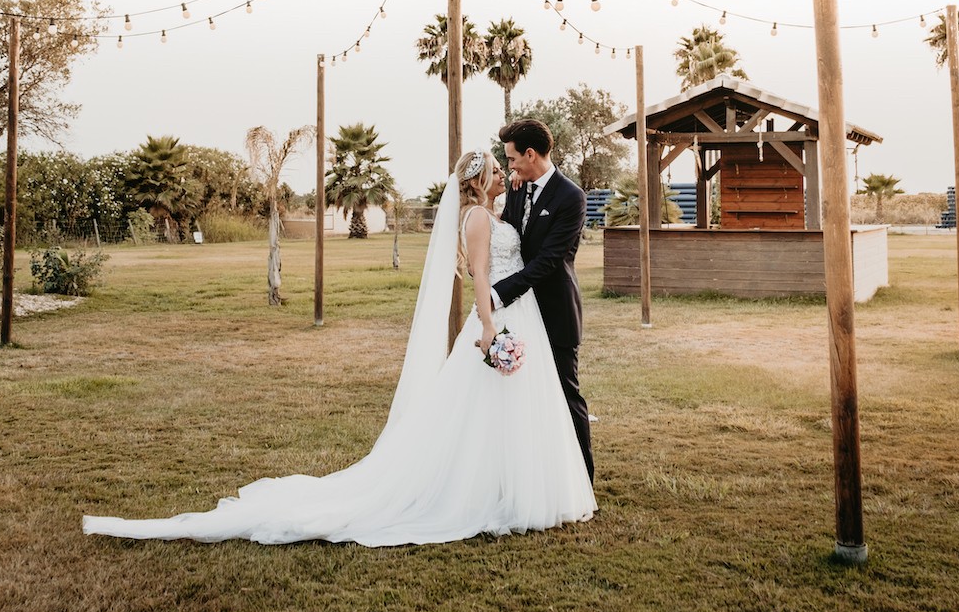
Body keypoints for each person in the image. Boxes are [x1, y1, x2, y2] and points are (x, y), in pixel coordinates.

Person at [82, 150, 596, 545]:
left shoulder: (490, 210)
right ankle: (491, 492)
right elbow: (482, 274)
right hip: (497, 318)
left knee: (499, 412)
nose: (505, 174)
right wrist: (487, 331)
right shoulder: (480, 219)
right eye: (497, 170)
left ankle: (504, 485)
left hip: (514, 315)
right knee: (485, 411)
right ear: (480, 180)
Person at [495, 118, 593, 482]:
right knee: (525, 397)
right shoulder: (518, 188)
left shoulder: (571, 197)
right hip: (520, 315)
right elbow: (507, 235)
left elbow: (550, 261)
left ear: (531, 154)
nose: (510, 166)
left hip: (554, 311)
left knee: (567, 396)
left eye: (512, 159)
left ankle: (582, 481)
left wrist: (498, 292)